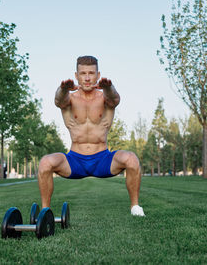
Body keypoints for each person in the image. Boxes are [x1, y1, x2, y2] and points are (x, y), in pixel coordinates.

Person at [38, 56, 145, 216]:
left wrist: (109, 86)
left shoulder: (105, 97)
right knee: (45, 163)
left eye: (91, 73)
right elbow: (58, 100)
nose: (87, 78)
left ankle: (135, 207)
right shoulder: (70, 98)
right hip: (75, 161)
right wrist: (63, 88)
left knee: (131, 159)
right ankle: (45, 211)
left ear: (98, 74)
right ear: (76, 75)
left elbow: (114, 98)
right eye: (83, 73)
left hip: (103, 159)